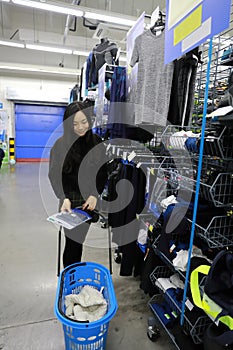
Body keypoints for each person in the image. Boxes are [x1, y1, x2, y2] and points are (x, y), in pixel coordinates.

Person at [48, 100, 108, 268]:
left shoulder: (97, 142)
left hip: (89, 201)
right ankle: (71, 276)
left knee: (78, 241)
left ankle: (73, 272)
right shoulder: (60, 146)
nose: (80, 127)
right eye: (75, 124)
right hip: (69, 200)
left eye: (84, 122)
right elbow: (54, 176)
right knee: (73, 242)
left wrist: (95, 195)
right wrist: (64, 197)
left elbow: (103, 172)